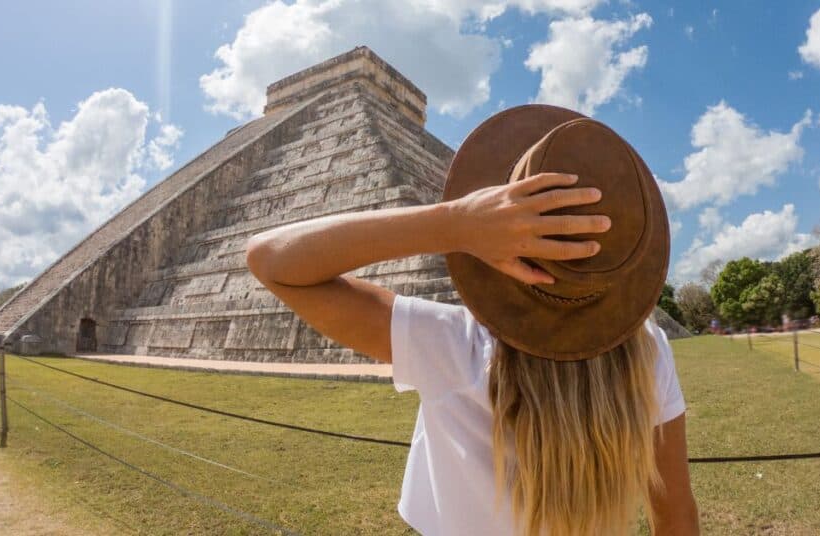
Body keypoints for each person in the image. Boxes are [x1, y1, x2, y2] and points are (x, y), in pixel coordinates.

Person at [246, 105, 699, 535]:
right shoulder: (649, 350)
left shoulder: (454, 344)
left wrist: (456, 224)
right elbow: (676, 517)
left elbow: (271, 259)